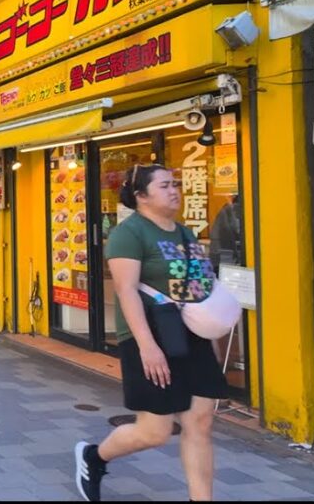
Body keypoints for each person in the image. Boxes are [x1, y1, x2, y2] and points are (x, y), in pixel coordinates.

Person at [74, 164, 227, 502]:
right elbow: (126, 290)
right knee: (155, 431)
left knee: (200, 422)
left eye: (175, 184)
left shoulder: (184, 233)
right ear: (141, 196)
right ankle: (94, 457)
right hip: (150, 337)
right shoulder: (129, 234)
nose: (174, 191)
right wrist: (147, 346)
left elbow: (198, 288)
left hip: (193, 335)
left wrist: (212, 337)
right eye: (164, 186)